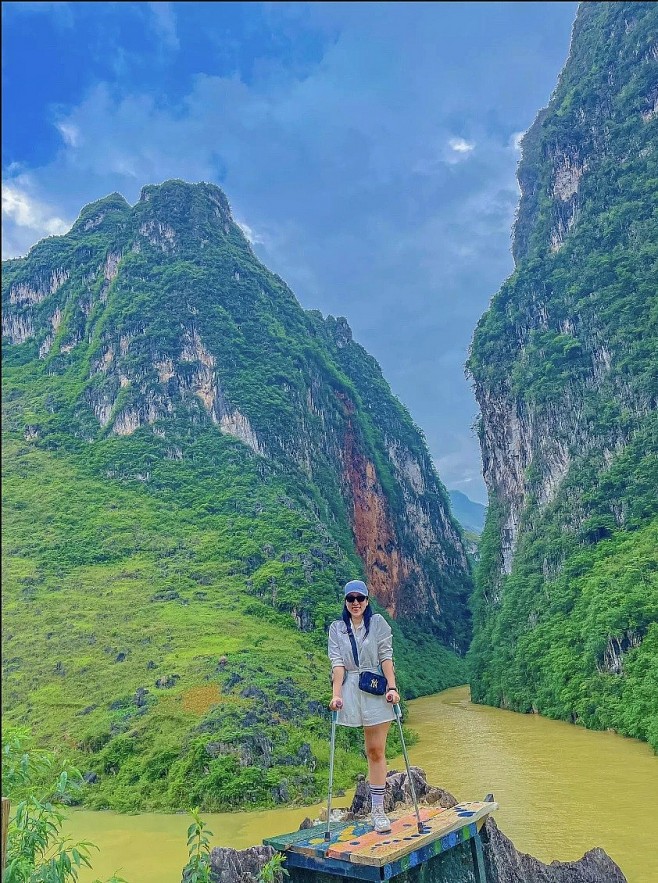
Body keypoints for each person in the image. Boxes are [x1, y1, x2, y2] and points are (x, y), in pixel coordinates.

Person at [328, 579, 401, 833]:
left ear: (367, 601)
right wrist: (336, 695)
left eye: (360, 598)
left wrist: (392, 687)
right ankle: (375, 808)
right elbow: (337, 665)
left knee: (375, 750)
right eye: (351, 599)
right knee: (368, 749)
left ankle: (378, 810)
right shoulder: (337, 629)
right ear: (346, 602)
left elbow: (386, 656)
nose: (356, 603)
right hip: (351, 691)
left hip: (376, 689)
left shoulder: (378, 623)